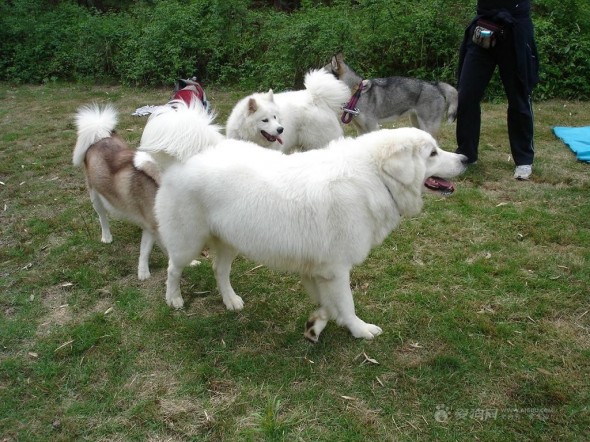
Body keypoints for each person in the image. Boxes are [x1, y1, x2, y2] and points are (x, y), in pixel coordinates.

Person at [456, 0, 539, 180]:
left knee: (518, 97)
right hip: (484, 26)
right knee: (466, 96)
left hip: (515, 29)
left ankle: (524, 160)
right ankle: (467, 155)